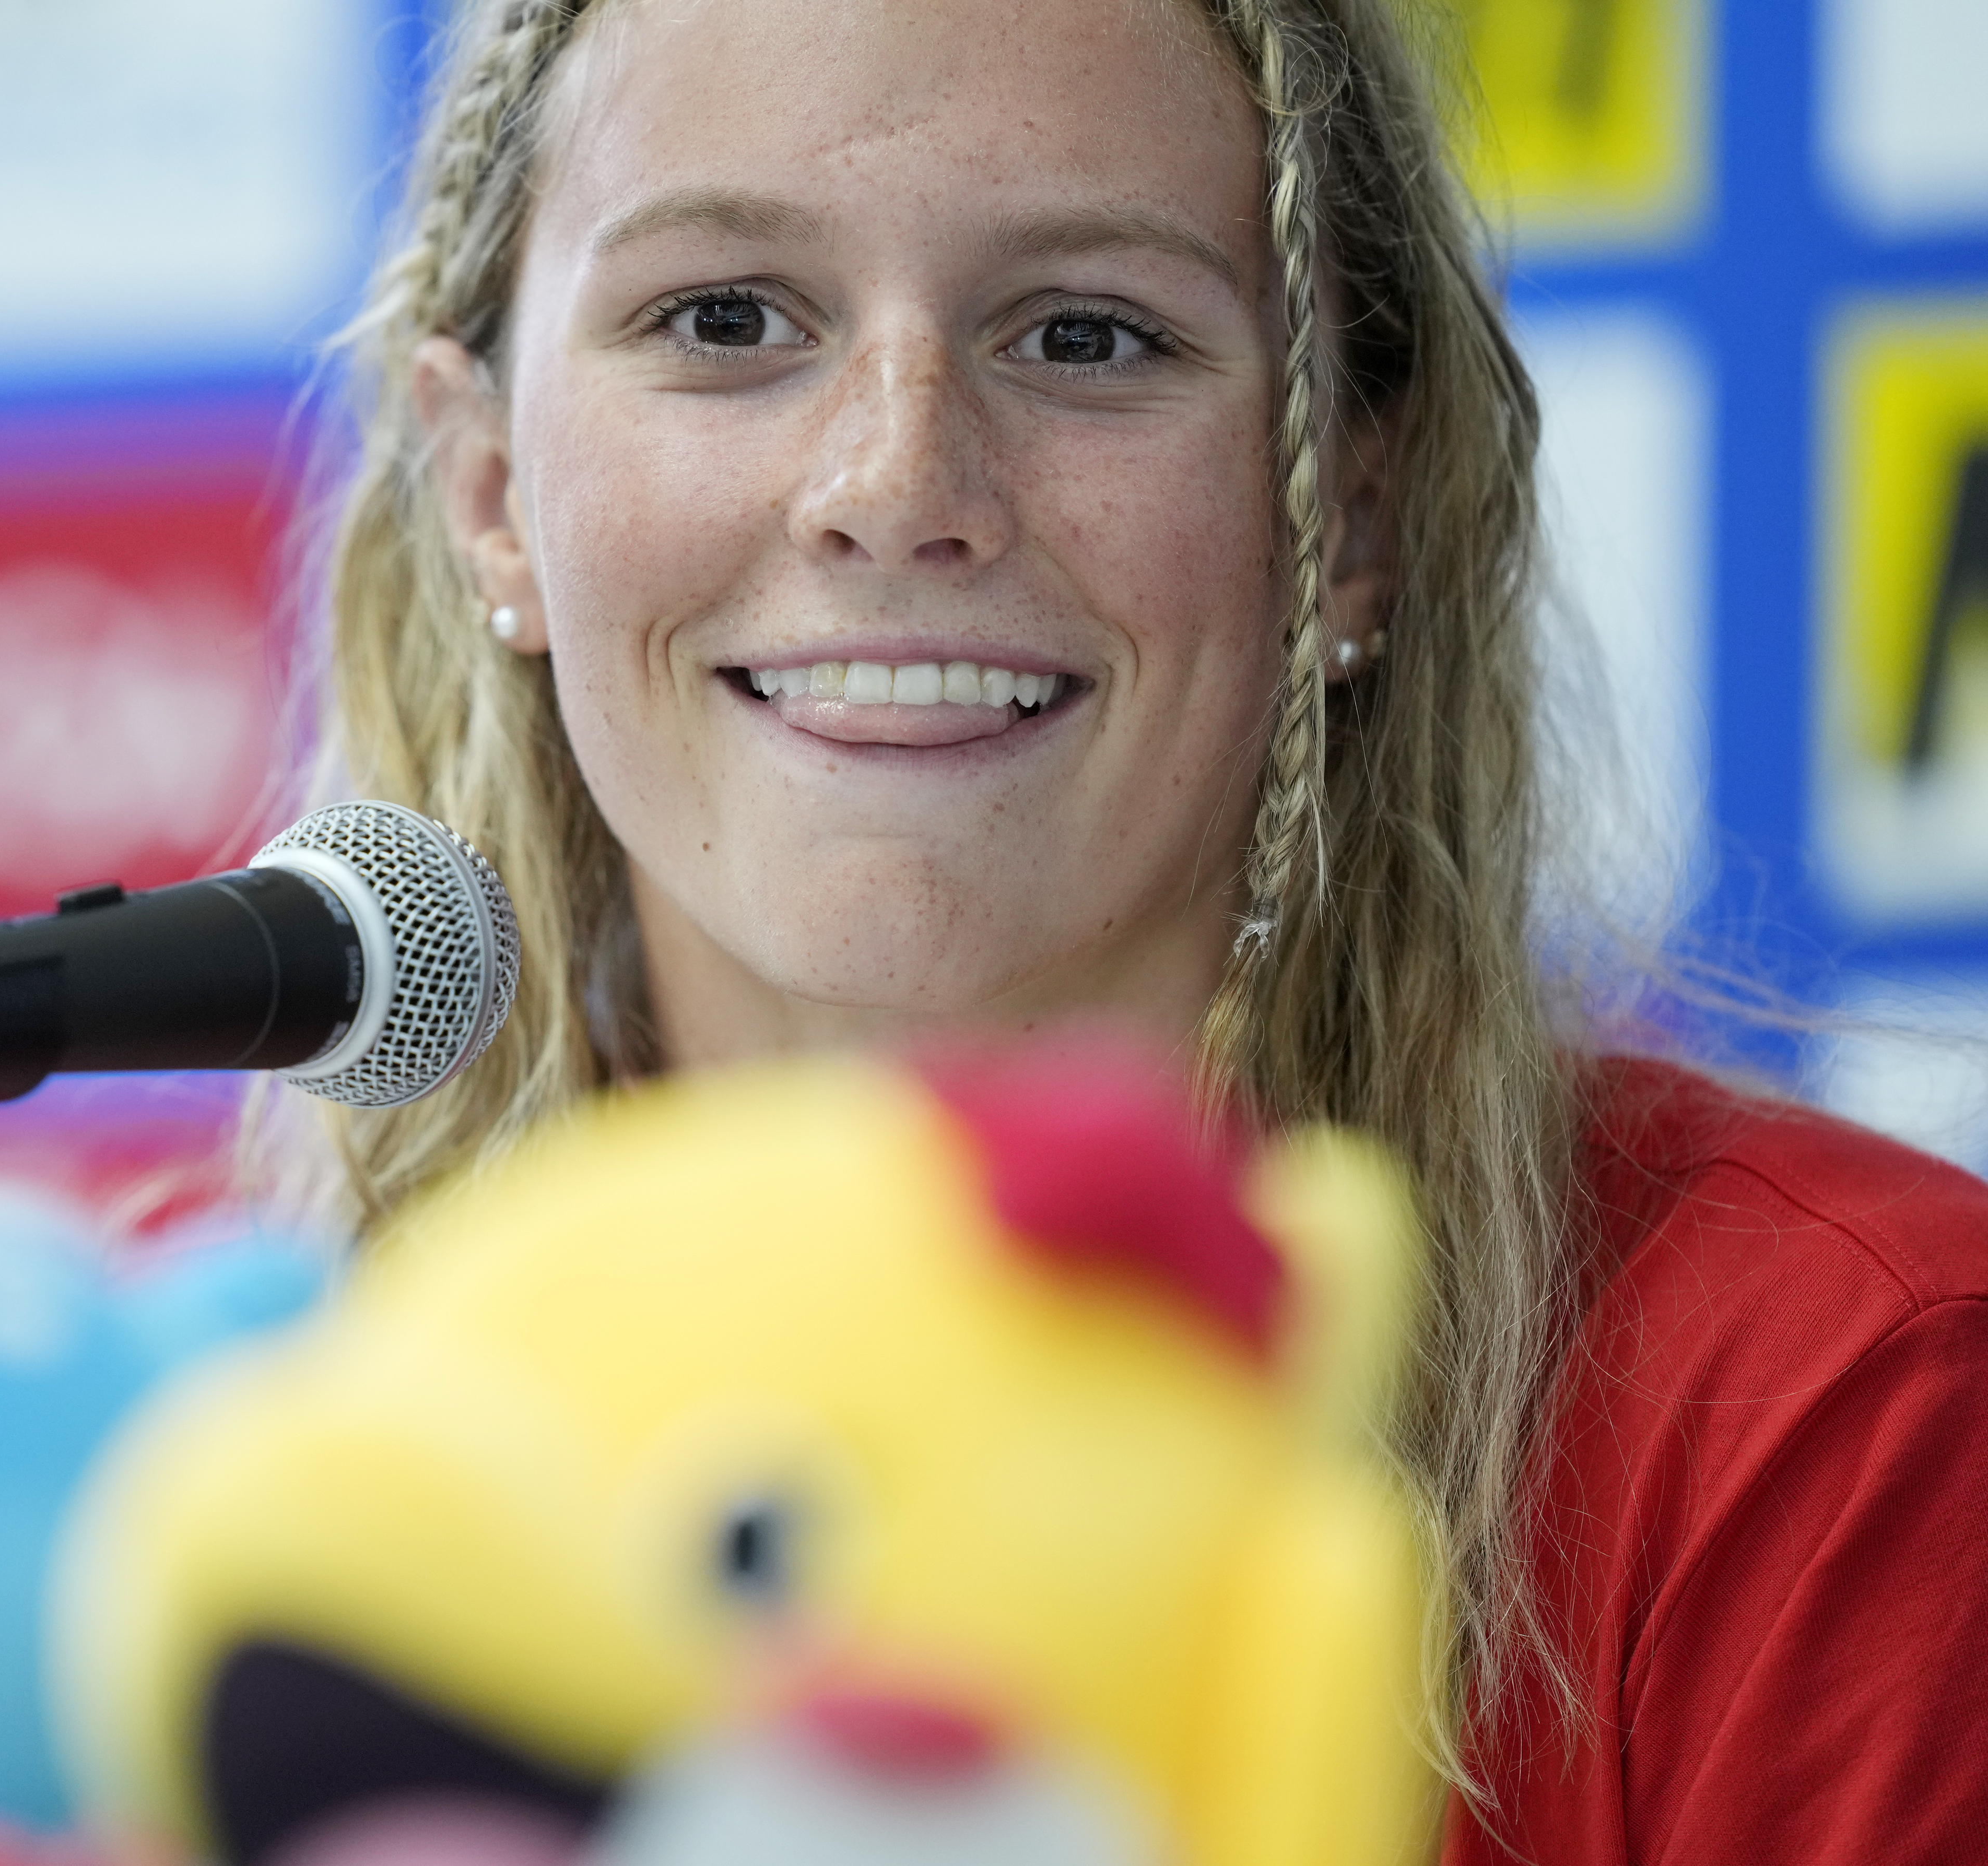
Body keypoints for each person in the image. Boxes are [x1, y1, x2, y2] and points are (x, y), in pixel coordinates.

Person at [274, 0, 1988, 1857]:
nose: (892, 487)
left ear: (1349, 506)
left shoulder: (1834, 1408)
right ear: (488, 487)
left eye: (1085, 337)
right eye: (725, 319)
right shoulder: (284, 1473)